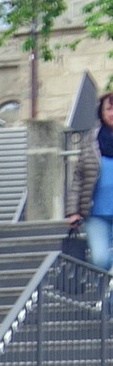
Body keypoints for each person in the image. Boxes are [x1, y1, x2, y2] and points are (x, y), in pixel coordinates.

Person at [67, 89, 113, 272]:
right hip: (96, 213)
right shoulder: (91, 140)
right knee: (100, 259)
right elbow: (79, 176)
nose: (112, 114)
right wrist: (73, 211)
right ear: (101, 113)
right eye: (109, 109)